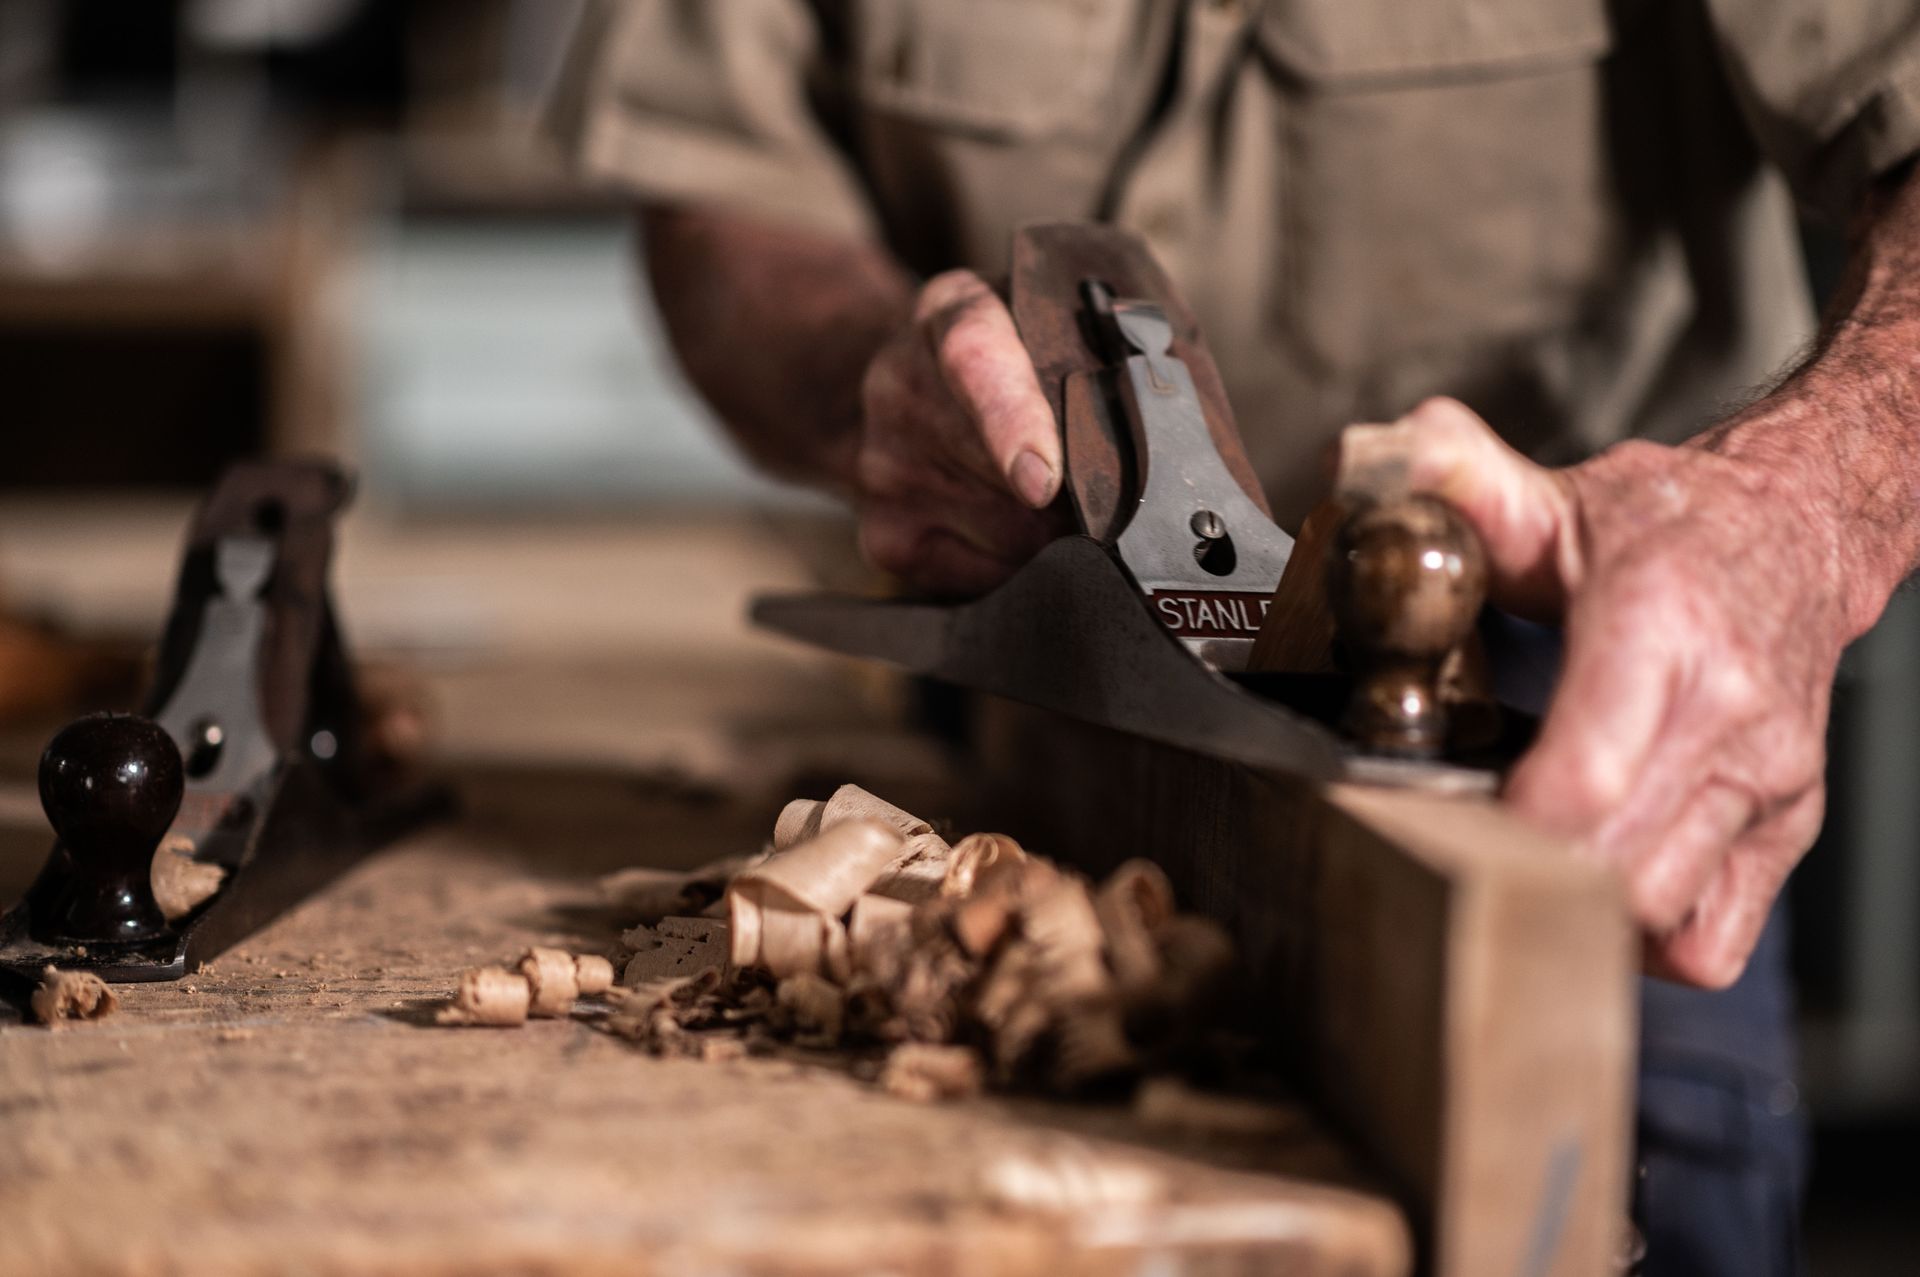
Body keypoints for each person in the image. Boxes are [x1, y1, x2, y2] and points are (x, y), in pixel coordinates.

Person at [547, 3, 1920, 1271]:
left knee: (1604, 1189)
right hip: (1030, 754)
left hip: (1577, 716)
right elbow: (717, 175)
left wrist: (1792, 505)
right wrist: (866, 377)